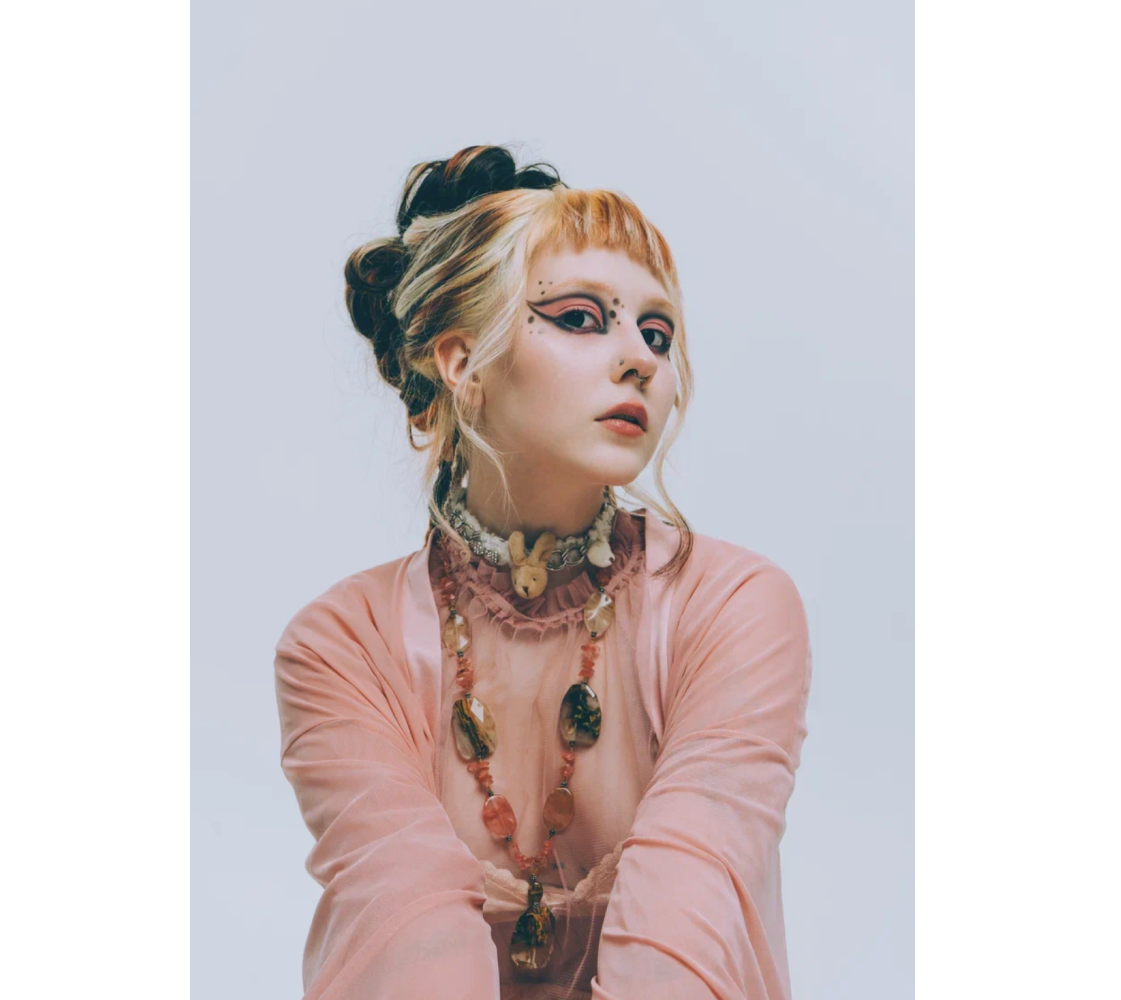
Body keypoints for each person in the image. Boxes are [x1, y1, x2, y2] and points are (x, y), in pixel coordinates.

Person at [274, 145, 813, 999]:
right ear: (461, 362)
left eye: (658, 333)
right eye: (581, 318)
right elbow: (406, 936)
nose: (640, 358)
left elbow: (684, 929)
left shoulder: (733, 607)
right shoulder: (343, 645)